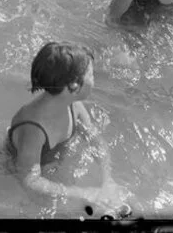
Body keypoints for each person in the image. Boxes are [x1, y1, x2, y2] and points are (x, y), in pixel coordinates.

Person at [8, 42, 132, 219]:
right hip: (16, 174)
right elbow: (29, 181)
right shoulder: (33, 129)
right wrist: (83, 192)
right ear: (73, 86)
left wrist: (108, 179)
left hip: (53, 165)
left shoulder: (74, 106)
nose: (94, 78)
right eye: (91, 74)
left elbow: (96, 141)